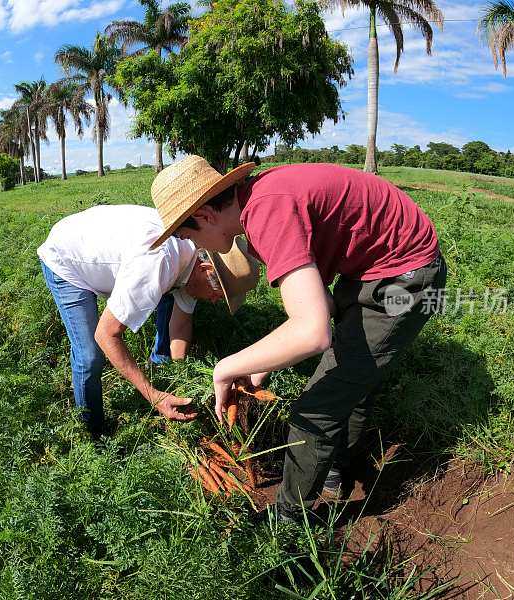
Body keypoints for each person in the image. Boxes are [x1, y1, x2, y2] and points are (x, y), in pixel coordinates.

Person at [149, 155, 447, 519]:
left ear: (207, 215)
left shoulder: (267, 212)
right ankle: (337, 468)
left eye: (187, 235)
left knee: (315, 408)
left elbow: (313, 332)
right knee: (351, 375)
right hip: (374, 265)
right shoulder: (258, 204)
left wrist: (225, 368)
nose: (194, 247)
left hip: (405, 276)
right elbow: (320, 302)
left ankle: (290, 516)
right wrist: (262, 365)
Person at [37, 203, 259, 436]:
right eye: (219, 293)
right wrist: (152, 395)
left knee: (165, 300)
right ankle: (91, 430)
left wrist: (182, 375)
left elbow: (181, 325)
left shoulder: (193, 258)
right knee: (89, 355)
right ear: (205, 269)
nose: (215, 300)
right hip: (67, 258)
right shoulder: (157, 263)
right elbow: (107, 334)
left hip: (103, 247)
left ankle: (158, 369)